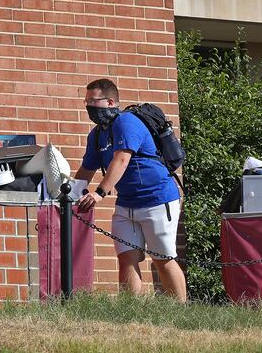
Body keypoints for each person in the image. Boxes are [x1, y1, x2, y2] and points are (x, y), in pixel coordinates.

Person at [75, 78, 187, 302]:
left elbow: (122, 159)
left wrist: (99, 193)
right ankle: (131, 311)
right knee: (126, 257)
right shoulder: (96, 135)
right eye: (86, 101)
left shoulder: (127, 122)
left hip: (157, 198)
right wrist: (69, 193)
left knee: (162, 258)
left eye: (92, 101)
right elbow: (87, 169)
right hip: (127, 203)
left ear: (109, 102)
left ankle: (179, 312)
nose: (88, 106)